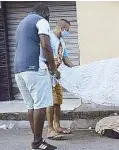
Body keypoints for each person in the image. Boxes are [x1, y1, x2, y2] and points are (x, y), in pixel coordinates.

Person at [14, 3, 60, 150]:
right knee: (40, 106)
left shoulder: (22, 23)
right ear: (45, 13)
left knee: (31, 106)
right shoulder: (41, 21)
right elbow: (45, 45)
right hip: (34, 69)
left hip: (19, 70)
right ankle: (38, 142)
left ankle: (37, 140)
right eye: (49, 16)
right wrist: (53, 68)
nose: (49, 19)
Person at [46, 19, 74, 140]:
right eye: (67, 30)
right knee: (51, 102)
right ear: (61, 28)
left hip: (57, 76)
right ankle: (50, 129)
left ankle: (57, 126)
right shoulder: (49, 38)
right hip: (48, 75)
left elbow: (65, 58)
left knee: (58, 102)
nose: (67, 33)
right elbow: (45, 55)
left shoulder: (61, 41)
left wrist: (76, 69)